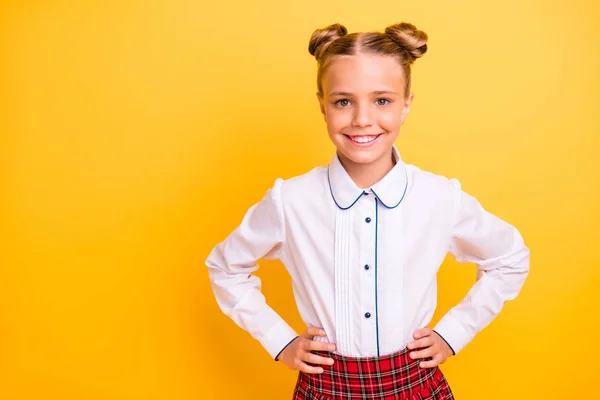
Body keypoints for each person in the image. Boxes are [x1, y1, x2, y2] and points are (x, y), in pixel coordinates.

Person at [205, 21, 530, 399]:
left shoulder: (439, 197)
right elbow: (225, 267)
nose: (362, 119)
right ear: (322, 105)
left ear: (406, 104)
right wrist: (280, 341)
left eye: (382, 100)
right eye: (343, 101)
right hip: (326, 387)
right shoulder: (289, 201)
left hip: (414, 383)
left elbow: (510, 258)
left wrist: (453, 333)